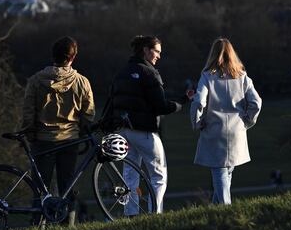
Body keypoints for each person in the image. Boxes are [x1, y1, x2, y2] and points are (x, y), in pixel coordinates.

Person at [110, 35, 185, 213]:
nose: (158, 56)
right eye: (156, 51)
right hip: (145, 132)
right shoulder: (150, 73)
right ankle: (155, 214)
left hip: (124, 131)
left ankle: (131, 214)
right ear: (145, 50)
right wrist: (182, 102)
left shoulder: (122, 72)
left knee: (130, 176)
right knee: (158, 176)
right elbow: (160, 106)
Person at [21, 36, 95, 215]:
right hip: (70, 140)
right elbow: (89, 113)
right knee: (67, 185)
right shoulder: (82, 82)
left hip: (42, 140)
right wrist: (84, 131)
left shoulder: (36, 81)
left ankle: (38, 221)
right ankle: (66, 222)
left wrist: (29, 134)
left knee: (40, 187)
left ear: (53, 55)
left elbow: (28, 112)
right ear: (72, 57)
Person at [191, 38, 262, 205]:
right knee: (227, 172)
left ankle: (224, 208)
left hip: (215, 129)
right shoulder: (242, 76)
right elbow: (256, 102)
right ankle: (216, 209)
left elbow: (198, 102)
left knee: (220, 172)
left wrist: (197, 121)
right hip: (237, 129)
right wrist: (248, 121)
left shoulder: (207, 76)